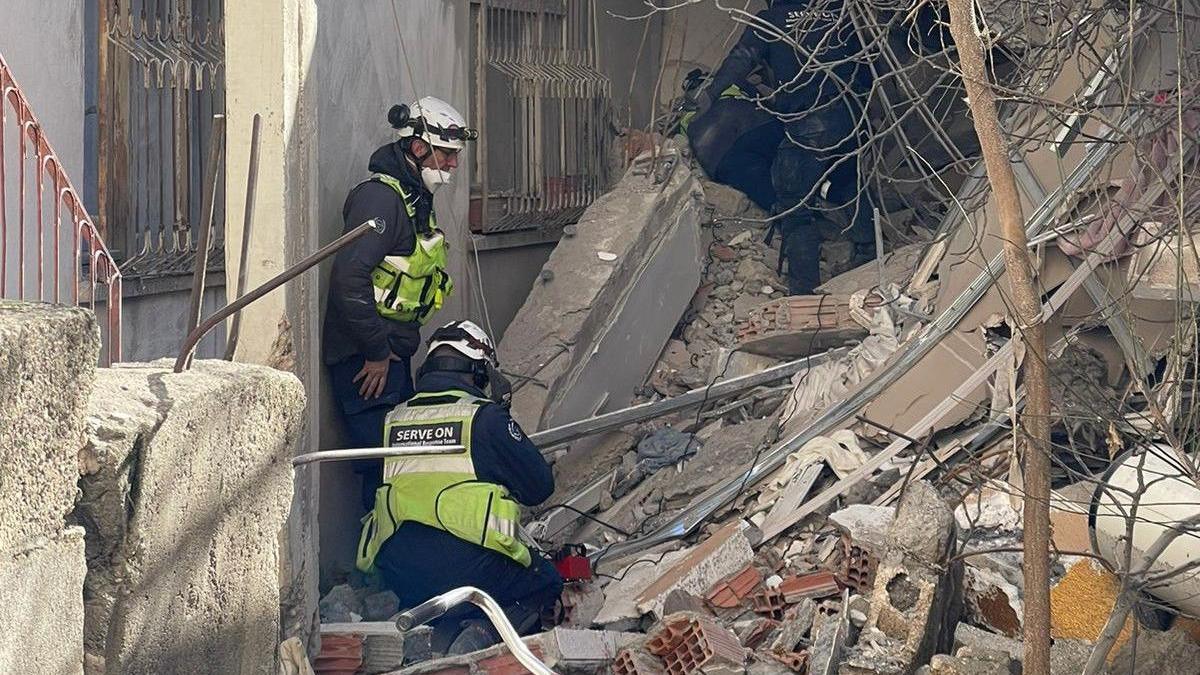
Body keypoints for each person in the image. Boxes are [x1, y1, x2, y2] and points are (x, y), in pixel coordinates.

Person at [355, 321, 562, 655]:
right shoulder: (485, 418)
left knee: (439, 587)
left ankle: (426, 637)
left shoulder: (393, 420)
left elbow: (371, 494)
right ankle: (481, 635)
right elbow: (540, 487)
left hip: (400, 569)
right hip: (471, 568)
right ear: (478, 374)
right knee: (545, 581)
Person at [323, 97, 476, 453]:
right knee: (383, 465)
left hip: (389, 354)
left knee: (400, 463)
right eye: (446, 154)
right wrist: (376, 351)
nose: (453, 164)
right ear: (419, 147)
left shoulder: (413, 197)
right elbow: (349, 279)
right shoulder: (380, 199)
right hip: (367, 361)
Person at [701, 0, 877, 295]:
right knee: (850, 180)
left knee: (793, 202)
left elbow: (741, 59)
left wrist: (708, 95)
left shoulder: (770, 19)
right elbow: (868, 62)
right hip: (852, 118)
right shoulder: (838, 12)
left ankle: (803, 290)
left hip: (808, 127)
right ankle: (871, 257)